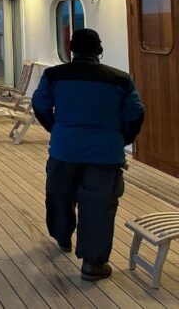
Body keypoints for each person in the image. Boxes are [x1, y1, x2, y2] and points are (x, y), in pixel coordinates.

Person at [32, 28, 144, 282]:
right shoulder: (120, 80)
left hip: (64, 149)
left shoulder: (54, 75)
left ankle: (62, 236)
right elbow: (135, 113)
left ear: (71, 50)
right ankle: (93, 264)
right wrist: (120, 138)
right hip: (105, 153)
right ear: (99, 51)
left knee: (59, 194)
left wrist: (56, 128)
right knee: (99, 205)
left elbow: (40, 104)